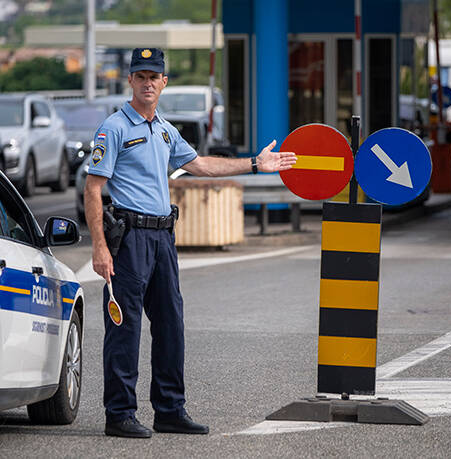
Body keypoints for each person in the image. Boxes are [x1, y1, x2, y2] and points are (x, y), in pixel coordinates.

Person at [84, 47, 297, 439]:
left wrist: (254, 163)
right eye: (140, 76)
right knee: (125, 327)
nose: (147, 83)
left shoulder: (165, 129)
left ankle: (169, 409)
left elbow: (201, 164)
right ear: (130, 81)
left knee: (170, 325)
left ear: (164, 83)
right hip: (128, 239)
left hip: (163, 237)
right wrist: (98, 247)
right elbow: (93, 189)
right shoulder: (113, 129)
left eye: (154, 77)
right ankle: (120, 414)